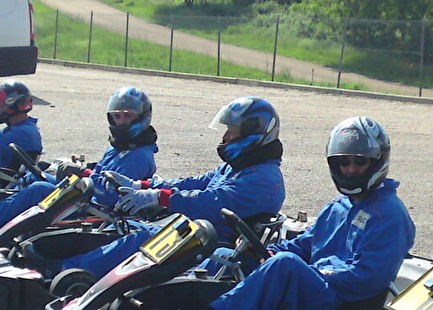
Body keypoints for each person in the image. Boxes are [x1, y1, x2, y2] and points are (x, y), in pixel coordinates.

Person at [161, 116, 414, 310]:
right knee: (228, 255)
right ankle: (172, 306)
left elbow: (368, 278)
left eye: (360, 162)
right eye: (343, 162)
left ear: (377, 162)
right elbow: (305, 244)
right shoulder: (339, 206)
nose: (350, 169)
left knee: (285, 265)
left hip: (343, 301)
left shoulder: (389, 214)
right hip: (318, 287)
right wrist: (267, 252)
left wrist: (312, 271)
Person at [55, 96, 286, 282]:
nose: (225, 136)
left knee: (143, 238)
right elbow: (194, 183)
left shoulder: (263, 178)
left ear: (252, 134)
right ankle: (72, 272)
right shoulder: (238, 166)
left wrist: (160, 198)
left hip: (213, 246)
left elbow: (211, 202)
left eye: (232, 131)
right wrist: (142, 185)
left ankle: (66, 275)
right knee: (132, 230)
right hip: (196, 233)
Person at [0, 85, 159, 227]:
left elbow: (110, 196)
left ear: (141, 117)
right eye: (117, 116)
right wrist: (79, 170)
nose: (121, 121)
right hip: (86, 196)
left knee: (39, 189)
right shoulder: (119, 147)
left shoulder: (138, 157)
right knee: (34, 176)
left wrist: (83, 174)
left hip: (97, 210)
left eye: (128, 116)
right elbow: (100, 173)